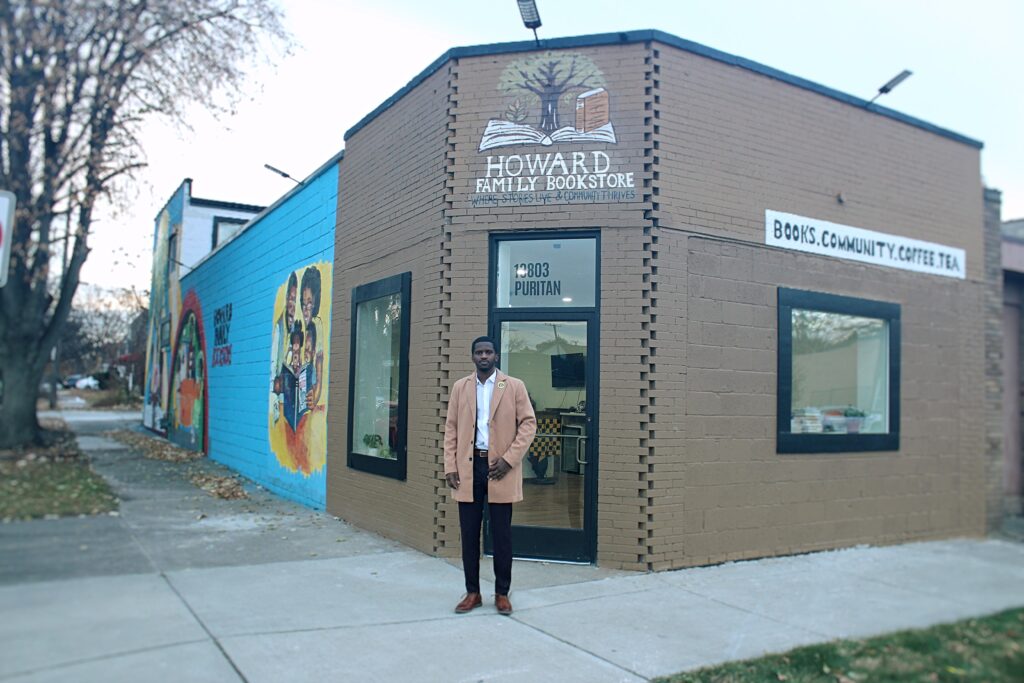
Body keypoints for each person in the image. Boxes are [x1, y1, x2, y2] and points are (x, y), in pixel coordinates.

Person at [444, 335, 536, 615]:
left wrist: (509, 460)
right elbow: (451, 428)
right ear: (473, 357)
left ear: (496, 356)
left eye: (489, 352)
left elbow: (528, 425)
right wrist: (450, 465)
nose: (484, 356)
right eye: (479, 352)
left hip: (500, 469)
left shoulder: (514, 386)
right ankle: (473, 592)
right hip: (468, 469)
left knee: (501, 535)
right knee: (469, 535)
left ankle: (502, 593)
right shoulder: (461, 388)